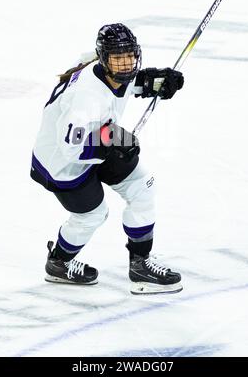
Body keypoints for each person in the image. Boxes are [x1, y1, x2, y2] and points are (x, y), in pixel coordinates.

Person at [30, 23, 184, 294]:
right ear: (105, 59)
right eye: (118, 58)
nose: (126, 64)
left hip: (98, 136)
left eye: (129, 56)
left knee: (142, 186)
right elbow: (70, 148)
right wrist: (111, 148)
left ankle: (140, 265)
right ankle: (58, 263)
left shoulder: (102, 67)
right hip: (61, 162)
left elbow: (125, 84)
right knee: (93, 214)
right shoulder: (86, 99)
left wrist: (155, 81)